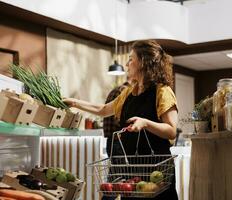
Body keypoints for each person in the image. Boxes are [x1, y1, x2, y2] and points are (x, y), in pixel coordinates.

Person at [64, 40, 178, 200]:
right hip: (132, 169)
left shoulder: (162, 92)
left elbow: (171, 130)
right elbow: (102, 110)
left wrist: (145, 123)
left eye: (131, 59)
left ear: (143, 62)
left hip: (157, 170)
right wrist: (73, 102)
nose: (127, 63)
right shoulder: (128, 94)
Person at [103, 81, 130, 157]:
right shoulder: (124, 91)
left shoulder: (114, 90)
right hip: (118, 139)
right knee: (122, 168)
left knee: (114, 168)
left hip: (110, 140)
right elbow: (118, 118)